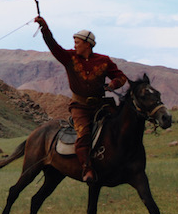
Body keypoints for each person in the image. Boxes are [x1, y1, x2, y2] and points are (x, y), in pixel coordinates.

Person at [34, 15, 127, 183]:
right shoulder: (69, 57)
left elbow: (121, 77)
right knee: (83, 133)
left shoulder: (104, 61)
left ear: (87, 44)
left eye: (77, 42)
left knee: (120, 125)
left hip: (101, 105)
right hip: (80, 107)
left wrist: (113, 84)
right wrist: (44, 29)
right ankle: (86, 168)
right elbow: (54, 46)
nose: (74, 45)